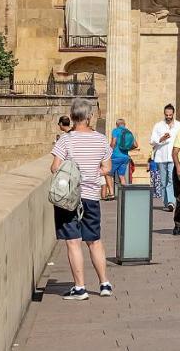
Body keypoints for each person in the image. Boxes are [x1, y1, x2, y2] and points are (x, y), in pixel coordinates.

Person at [51, 97, 113, 300]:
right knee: (94, 241)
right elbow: (107, 168)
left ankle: (80, 288)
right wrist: (93, 171)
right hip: (92, 196)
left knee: (73, 242)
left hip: (70, 199)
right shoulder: (101, 140)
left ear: (72, 116)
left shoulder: (66, 140)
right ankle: (104, 283)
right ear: (89, 116)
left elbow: (55, 167)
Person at [149, 104, 180, 211]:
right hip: (161, 156)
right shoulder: (158, 126)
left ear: (173, 114)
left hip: (174, 157)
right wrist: (162, 138)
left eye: (170, 115)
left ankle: (171, 202)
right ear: (164, 114)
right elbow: (152, 141)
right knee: (163, 182)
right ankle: (166, 202)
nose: (168, 117)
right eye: (166, 115)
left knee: (171, 180)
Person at [108, 118, 138, 200]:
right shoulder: (129, 132)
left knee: (108, 174)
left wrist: (109, 151)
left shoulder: (115, 130)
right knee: (121, 176)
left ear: (117, 124)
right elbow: (136, 145)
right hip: (125, 157)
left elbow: (113, 143)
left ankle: (111, 193)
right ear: (124, 124)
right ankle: (124, 194)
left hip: (116, 156)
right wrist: (127, 149)